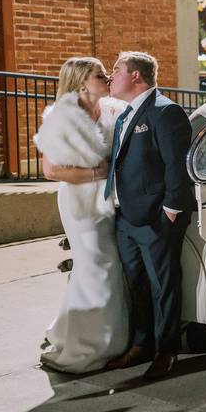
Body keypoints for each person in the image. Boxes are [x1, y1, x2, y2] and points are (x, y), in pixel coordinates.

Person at [33, 57, 129, 373]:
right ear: (81, 82)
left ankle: (76, 330)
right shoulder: (62, 116)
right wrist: (94, 174)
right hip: (80, 202)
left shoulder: (113, 109)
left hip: (110, 199)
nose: (106, 77)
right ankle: (89, 345)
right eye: (99, 74)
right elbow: (50, 170)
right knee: (98, 266)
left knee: (103, 266)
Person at [104, 52, 195, 380]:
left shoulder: (165, 112)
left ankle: (166, 351)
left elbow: (177, 165)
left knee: (163, 285)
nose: (110, 76)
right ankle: (140, 345)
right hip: (126, 217)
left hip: (156, 219)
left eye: (116, 70)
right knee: (137, 285)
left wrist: (170, 211)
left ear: (136, 76)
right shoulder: (123, 116)